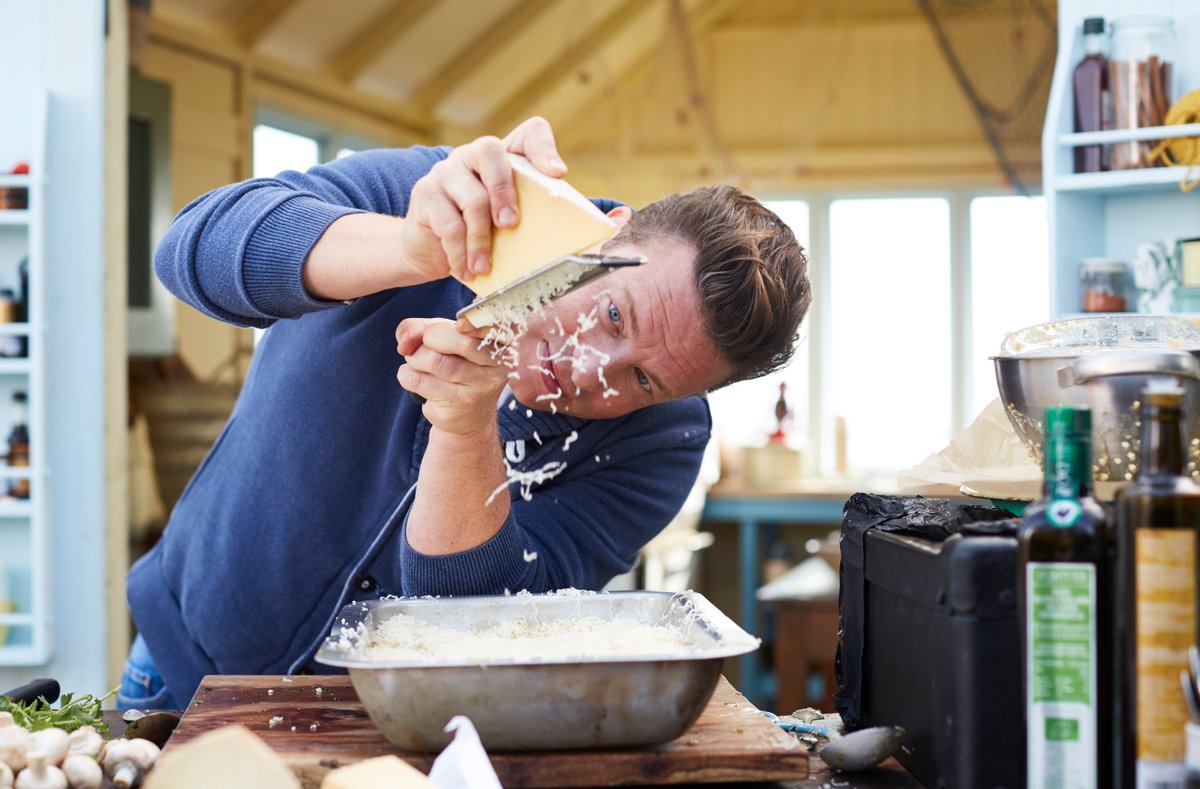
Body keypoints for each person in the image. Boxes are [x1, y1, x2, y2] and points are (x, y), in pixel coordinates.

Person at [121, 117, 810, 709]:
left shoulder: (663, 441)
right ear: (610, 233)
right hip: (186, 665)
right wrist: (409, 249)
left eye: (640, 378)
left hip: (400, 722)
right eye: (610, 312)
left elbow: (481, 620)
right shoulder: (445, 197)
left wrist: (464, 428)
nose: (586, 365)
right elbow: (189, 250)